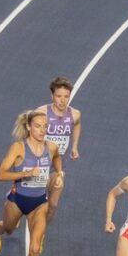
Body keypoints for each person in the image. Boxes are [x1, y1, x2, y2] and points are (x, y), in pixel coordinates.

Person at [0, 111, 63, 256]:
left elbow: (57, 157)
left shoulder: (51, 147)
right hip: (17, 199)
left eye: (45, 126)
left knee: (36, 248)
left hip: (39, 203)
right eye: (38, 126)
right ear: (29, 127)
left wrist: (60, 172)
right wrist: (26, 173)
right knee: (9, 229)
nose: (42, 130)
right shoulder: (19, 147)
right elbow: (0, 173)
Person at [33, 77, 82, 221]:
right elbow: (28, 129)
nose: (62, 100)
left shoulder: (75, 114)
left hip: (57, 167)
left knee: (53, 204)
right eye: (58, 96)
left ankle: (41, 232)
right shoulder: (42, 113)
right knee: (32, 203)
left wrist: (74, 146)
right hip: (38, 165)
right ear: (52, 96)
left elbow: (77, 124)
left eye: (66, 96)